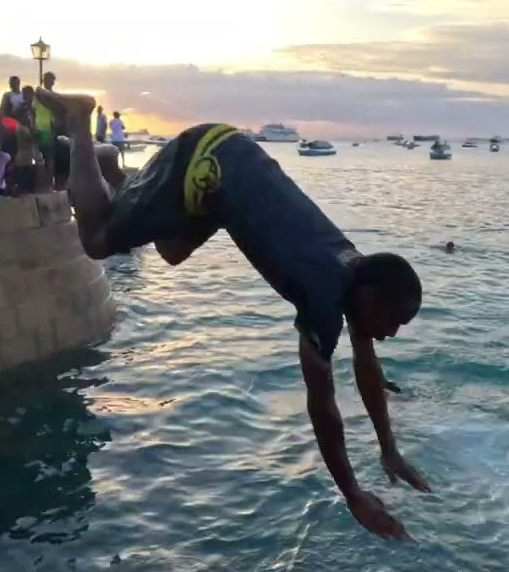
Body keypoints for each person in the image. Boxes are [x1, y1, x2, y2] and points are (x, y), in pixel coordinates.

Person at [35, 90, 428, 539]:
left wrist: (388, 450)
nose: (392, 334)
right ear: (372, 299)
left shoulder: (355, 268)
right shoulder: (323, 297)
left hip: (229, 167)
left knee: (172, 250)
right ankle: (83, 126)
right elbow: (324, 408)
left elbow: (366, 365)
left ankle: (119, 179)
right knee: (98, 239)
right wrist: (353, 494)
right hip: (204, 164)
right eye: (394, 322)